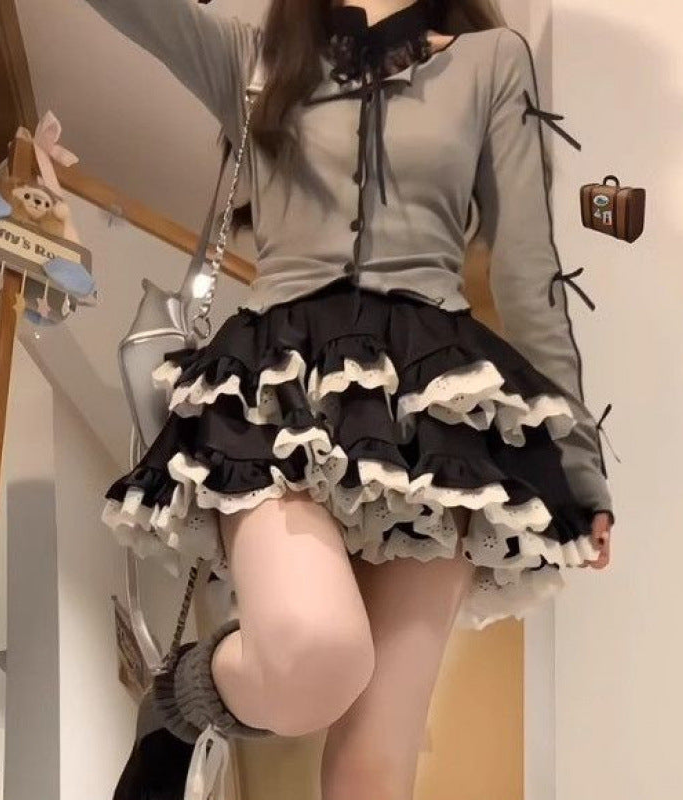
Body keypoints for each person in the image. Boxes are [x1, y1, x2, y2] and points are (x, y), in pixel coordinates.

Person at [86, 0, 615, 798]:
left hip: (432, 418)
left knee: (376, 765)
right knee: (314, 658)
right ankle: (180, 701)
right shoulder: (255, 58)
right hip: (276, 398)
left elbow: (528, 271)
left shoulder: (493, 60)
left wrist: (580, 466)